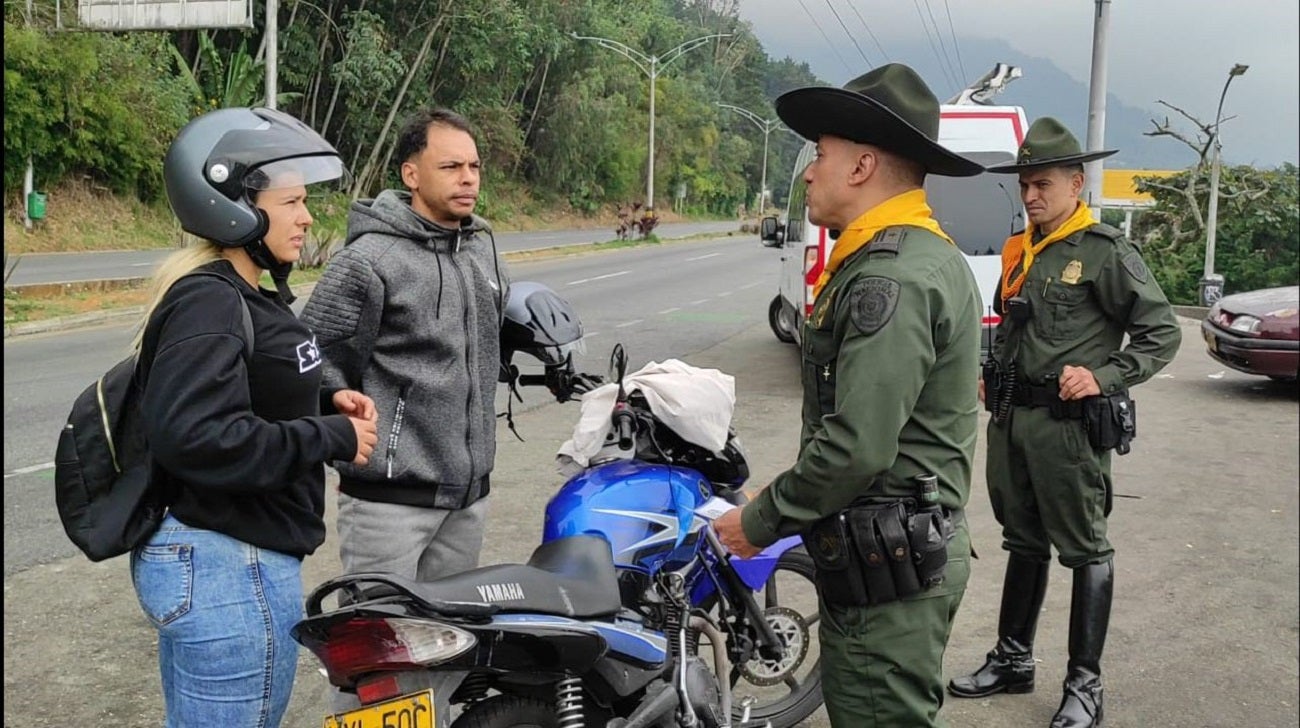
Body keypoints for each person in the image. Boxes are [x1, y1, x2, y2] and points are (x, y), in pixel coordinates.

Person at [713, 63, 986, 727]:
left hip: (885, 564)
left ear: (862, 167)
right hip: (890, 548)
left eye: (822, 155)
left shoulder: (887, 279)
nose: (809, 171)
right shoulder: (918, 256)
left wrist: (759, 522)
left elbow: (858, 445)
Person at [131, 106, 379, 726]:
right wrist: (331, 436)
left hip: (237, 560)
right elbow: (196, 436)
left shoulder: (238, 293)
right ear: (233, 206)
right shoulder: (209, 300)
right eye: (292, 201)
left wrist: (323, 400)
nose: (306, 215)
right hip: (227, 566)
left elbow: (237, 397)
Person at [946, 118, 1181, 728]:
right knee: (1022, 539)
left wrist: (1105, 376)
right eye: (1024, 183)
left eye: (1043, 183)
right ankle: (1013, 659)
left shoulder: (1104, 252)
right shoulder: (1019, 247)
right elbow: (1008, 321)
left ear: (1076, 183)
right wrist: (986, 366)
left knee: (1085, 548)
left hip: (1069, 428)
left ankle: (1085, 685)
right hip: (1012, 418)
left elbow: (1162, 331)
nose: (1031, 195)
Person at [300, 108, 509, 585]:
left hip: (467, 499)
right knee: (380, 645)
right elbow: (311, 355)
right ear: (411, 174)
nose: (468, 179)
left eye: (474, 167)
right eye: (451, 167)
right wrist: (341, 409)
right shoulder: (370, 261)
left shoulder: (481, 250)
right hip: (388, 501)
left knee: (451, 644)